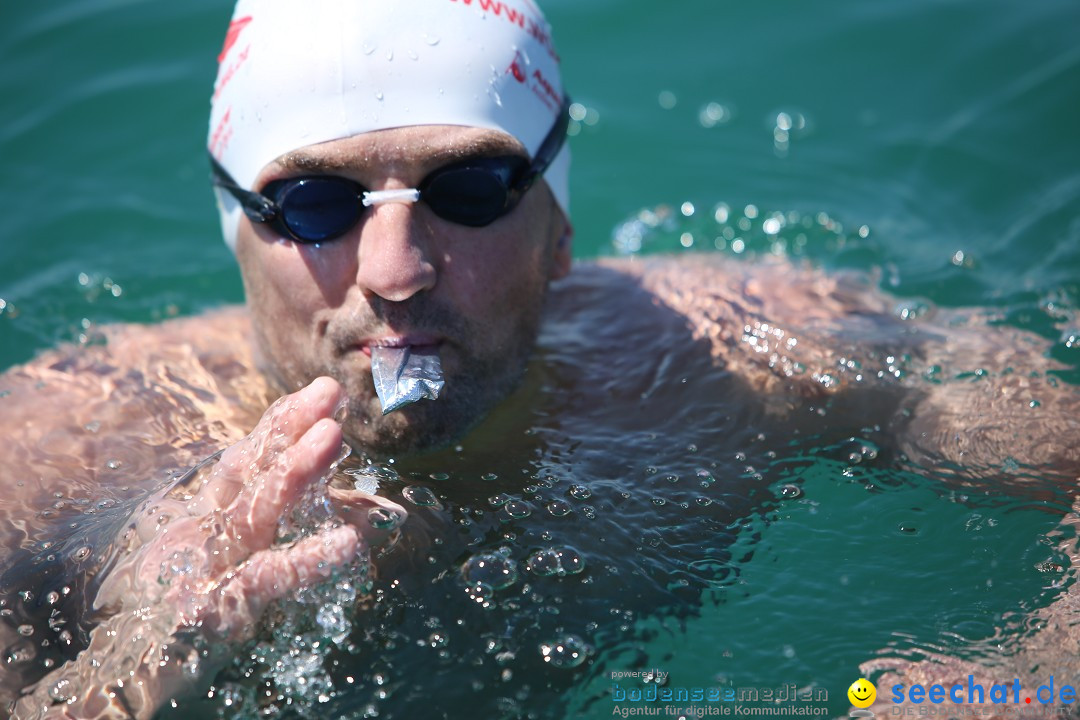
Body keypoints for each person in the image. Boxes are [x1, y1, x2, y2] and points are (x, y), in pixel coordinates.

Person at [2, 0, 1077, 718]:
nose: (398, 268)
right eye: (312, 203)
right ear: (237, 235)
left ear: (560, 224)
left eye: (469, 191)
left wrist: (1033, 676)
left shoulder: (725, 355)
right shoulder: (57, 447)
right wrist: (120, 681)